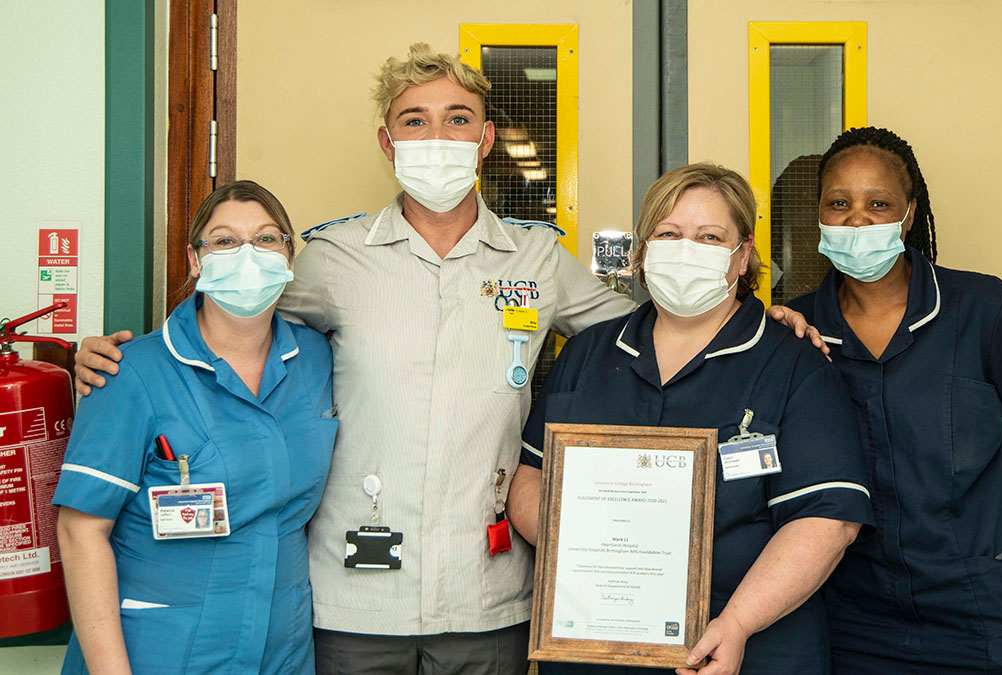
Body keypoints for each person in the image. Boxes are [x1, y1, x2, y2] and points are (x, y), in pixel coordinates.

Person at [70, 45, 822, 675]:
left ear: (487, 138)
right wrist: (125, 352)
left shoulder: (536, 256)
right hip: (350, 601)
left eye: (457, 119)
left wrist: (762, 310)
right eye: (415, 121)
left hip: (486, 597)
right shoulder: (333, 258)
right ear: (387, 142)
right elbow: (230, 306)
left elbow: (665, 320)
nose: (438, 136)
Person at [507, 163, 873, 675]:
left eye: (709, 237)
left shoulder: (792, 362)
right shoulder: (587, 354)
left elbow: (828, 521)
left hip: (746, 651)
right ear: (643, 249)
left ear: (741, 255)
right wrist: (595, 554)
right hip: (596, 646)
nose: (686, 249)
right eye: (669, 233)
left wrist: (739, 622)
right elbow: (530, 480)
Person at [786, 126, 1002, 673]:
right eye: (838, 203)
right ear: (818, 215)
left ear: (909, 214)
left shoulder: (982, 309)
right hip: (862, 624)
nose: (857, 220)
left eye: (879, 203)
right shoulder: (796, 335)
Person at [53, 181, 337, 673]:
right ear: (195, 259)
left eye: (267, 239)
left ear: (290, 257)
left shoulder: (315, 358)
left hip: (281, 648)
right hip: (160, 649)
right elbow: (81, 533)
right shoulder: (129, 374)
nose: (248, 254)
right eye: (225, 240)